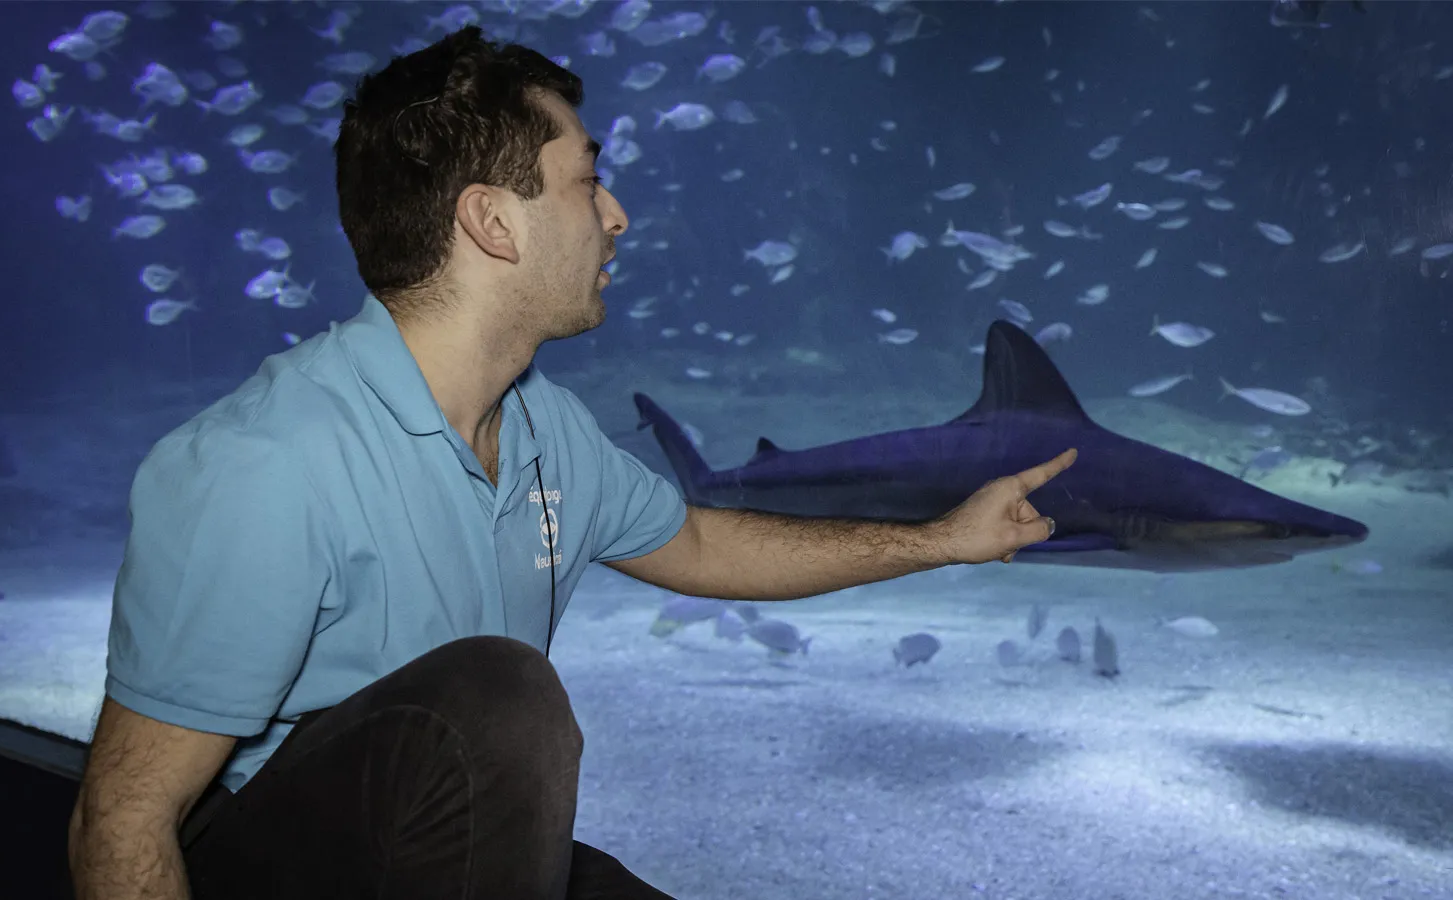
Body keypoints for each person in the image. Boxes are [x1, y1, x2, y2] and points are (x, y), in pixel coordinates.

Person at [66, 25, 1076, 900]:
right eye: (587, 180)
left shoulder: (543, 426)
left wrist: (941, 539)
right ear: (491, 221)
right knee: (497, 695)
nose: (616, 214)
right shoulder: (265, 463)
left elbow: (701, 543)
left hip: (434, 849)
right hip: (272, 872)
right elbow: (121, 821)